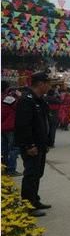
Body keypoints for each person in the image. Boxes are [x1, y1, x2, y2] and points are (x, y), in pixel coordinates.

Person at [14, 72, 54, 217]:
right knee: (31, 174)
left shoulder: (39, 100)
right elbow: (23, 125)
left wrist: (46, 142)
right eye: (47, 83)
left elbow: (44, 122)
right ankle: (28, 205)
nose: (49, 86)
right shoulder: (27, 100)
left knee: (38, 173)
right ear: (40, 84)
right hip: (32, 146)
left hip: (40, 144)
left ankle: (35, 200)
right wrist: (29, 145)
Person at [1, 83, 22, 176]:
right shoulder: (7, 98)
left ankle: (4, 168)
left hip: (3, 127)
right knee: (13, 149)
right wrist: (20, 96)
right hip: (10, 127)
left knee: (4, 149)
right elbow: (19, 106)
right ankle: (11, 170)